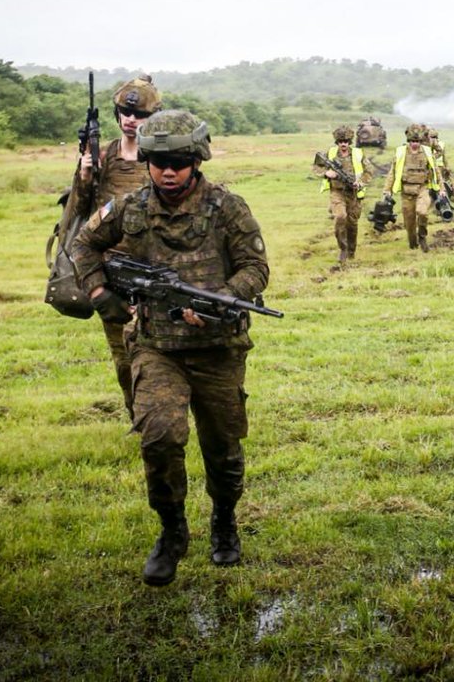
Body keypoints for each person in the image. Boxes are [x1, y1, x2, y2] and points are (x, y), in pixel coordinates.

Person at [71, 109, 270, 585]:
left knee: (222, 447)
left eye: (178, 162)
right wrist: (100, 293)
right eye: (159, 162)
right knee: (160, 435)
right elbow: (83, 244)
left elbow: (256, 268)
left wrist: (224, 298)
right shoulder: (131, 208)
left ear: (196, 160)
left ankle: (224, 521)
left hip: (218, 348)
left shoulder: (227, 207)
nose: (168, 171)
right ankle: (172, 530)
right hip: (156, 345)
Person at [68, 74, 162, 418]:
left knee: (158, 355)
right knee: (123, 358)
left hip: (155, 269)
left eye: (139, 114)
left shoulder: (161, 157)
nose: (131, 119)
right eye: (125, 112)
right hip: (112, 274)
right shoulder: (103, 155)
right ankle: (138, 417)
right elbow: (78, 213)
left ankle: (161, 417)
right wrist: (85, 176)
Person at [314, 125, 372, 263]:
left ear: (349, 142)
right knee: (340, 217)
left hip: (354, 194)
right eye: (340, 142)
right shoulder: (331, 154)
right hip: (337, 192)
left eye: (345, 141)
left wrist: (361, 182)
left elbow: (369, 171)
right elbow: (316, 167)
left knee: (352, 224)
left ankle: (351, 251)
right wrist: (326, 173)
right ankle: (343, 249)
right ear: (337, 142)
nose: (343, 144)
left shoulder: (358, 154)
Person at [383, 123, 441, 251]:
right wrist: (387, 190)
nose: (415, 144)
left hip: (422, 188)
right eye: (412, 141)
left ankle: (422, 236)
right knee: (409, 223)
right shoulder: (401, 153)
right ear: (408, 141)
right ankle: (413, 244)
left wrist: (441, 189)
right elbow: (392, 173)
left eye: (417, 141)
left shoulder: (427, 152)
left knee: (422, 212)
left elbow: (436, 171)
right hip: (406, 192)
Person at [427, 127, 454, 198]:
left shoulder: (432, 143)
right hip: (435, 165)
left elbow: (443, 156)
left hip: (436, 166)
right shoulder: (439, 144)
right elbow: (444, 157)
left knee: (437, 182)